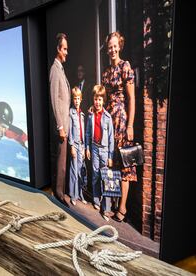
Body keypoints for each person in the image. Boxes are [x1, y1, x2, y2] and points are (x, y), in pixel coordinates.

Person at [101, 32, 136, 223]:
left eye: (115, 46)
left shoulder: (125, 66)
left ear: (119, 46)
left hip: (122, 121)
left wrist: (130, 124)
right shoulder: (106, 72)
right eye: (110, 47)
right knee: (111, 161)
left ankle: (122, 206)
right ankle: (112, 203)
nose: (112, 49)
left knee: (124, 164)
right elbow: (104, 97)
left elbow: (131, 98)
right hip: (109, 121)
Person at [85, 85, 114, 221]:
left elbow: (111, 139)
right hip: (95, 148)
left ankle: (106, 208)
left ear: (103, 101)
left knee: (106, 178)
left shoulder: (108, 117)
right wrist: (87, 148)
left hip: (105, 150)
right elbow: (88, 133)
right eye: (96, 99)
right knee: (95, 175)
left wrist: (110, 156)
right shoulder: (91, 115)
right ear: (93, 99)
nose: (97, 102)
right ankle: (96, 200)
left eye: (100, 100)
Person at [50, 33, 70, 205]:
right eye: (64, 49)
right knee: (61, 162)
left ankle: (60, 191)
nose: (66, 52)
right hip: (61, 126)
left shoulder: (61, 69)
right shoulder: (55, 70)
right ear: (58, 49)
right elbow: (55, 100)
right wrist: (60, 126)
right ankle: (59, 194)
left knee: (62, 161)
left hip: (65, 124)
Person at [68, 87, 87, 206]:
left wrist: (84, 148)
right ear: (72, 100)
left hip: (81, 145)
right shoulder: (71, 113)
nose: (77, 101)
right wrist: (71, 146)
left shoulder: (82, 114)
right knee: (74, 171)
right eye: (75, 98)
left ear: (81, 99)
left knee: (80, 171)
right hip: (74, 145)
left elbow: (83, 133)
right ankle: (73, 195)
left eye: (78, 98)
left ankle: (80, 194)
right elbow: (70, 130)